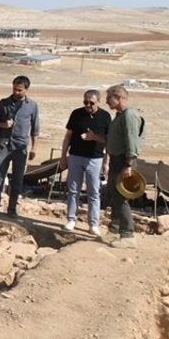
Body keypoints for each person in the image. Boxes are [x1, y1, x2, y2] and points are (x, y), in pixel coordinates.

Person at [58, 89, 111, 234]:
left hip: (95, 158)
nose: (88, 105)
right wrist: (63, 157)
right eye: (85, 102)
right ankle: (71, 219)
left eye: (91, 103)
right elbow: (68, 136)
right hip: (75, 156)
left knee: (93, 192)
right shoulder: (76, 114)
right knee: (73, 190)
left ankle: (93, 224)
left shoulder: (105, 117)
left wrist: (106, 161)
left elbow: (108, 141)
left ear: (98, 102)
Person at [0, 76, 40, 216]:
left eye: (19, 90)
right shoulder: (4, 103)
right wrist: (3, 125)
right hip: (4, 144)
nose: (16, 92)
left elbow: (35, 129)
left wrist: (34, 149)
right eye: (14, 89)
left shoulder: (32, 106)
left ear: (26, 89)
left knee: (17, 179)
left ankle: (11, 209)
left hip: (20, 147)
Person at [105, 84, 145, 248]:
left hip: (124, 161)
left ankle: (128, 236)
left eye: (109, 97)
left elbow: (131, 140)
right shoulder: (119, 116)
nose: (106, 101)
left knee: (121, 198)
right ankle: (115, 228)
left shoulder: (129, 115)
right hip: (116, 160)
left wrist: (128, 164)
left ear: (118, 97)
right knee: (114, 195)